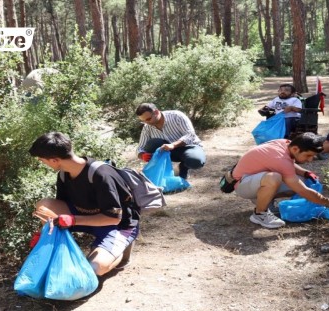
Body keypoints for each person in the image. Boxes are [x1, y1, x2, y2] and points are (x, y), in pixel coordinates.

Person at [28, 132, 139, 276]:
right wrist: (45, 233)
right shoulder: (63, 174)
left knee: (95, 268)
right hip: (87, 217)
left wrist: (73, 220)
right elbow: (60, 208)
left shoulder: (101, 174)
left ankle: (121, 250)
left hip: (118, 224)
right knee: (45, 205)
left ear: (54, 160)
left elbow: (114, 217)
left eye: (43, 160)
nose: (43, 163)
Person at [232, 132, 329, 229]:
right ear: (296, 149)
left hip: (254, 180)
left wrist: (306, 173)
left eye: (313, 156)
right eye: (308, 155)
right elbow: (302, 190)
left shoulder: (286, 144)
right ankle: (259, 214)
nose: (310, 159)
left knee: (305, 180)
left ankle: (264, 201)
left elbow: (288, 163)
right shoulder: (280, 159)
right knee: (275, 178)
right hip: (242, 184)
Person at [135, 103, 206, 179]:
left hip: (189, 147)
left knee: (196, 161)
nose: (147, 123)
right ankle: (163, 173)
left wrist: (173, 145)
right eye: (143, 121)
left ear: (156, 112)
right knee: (152, 144)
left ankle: (183, 167)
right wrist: (142, 155)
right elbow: (140, 148)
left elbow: (190, 135)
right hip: (169, 152)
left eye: (148, 119)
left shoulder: (176, 116)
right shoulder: (147, 127)